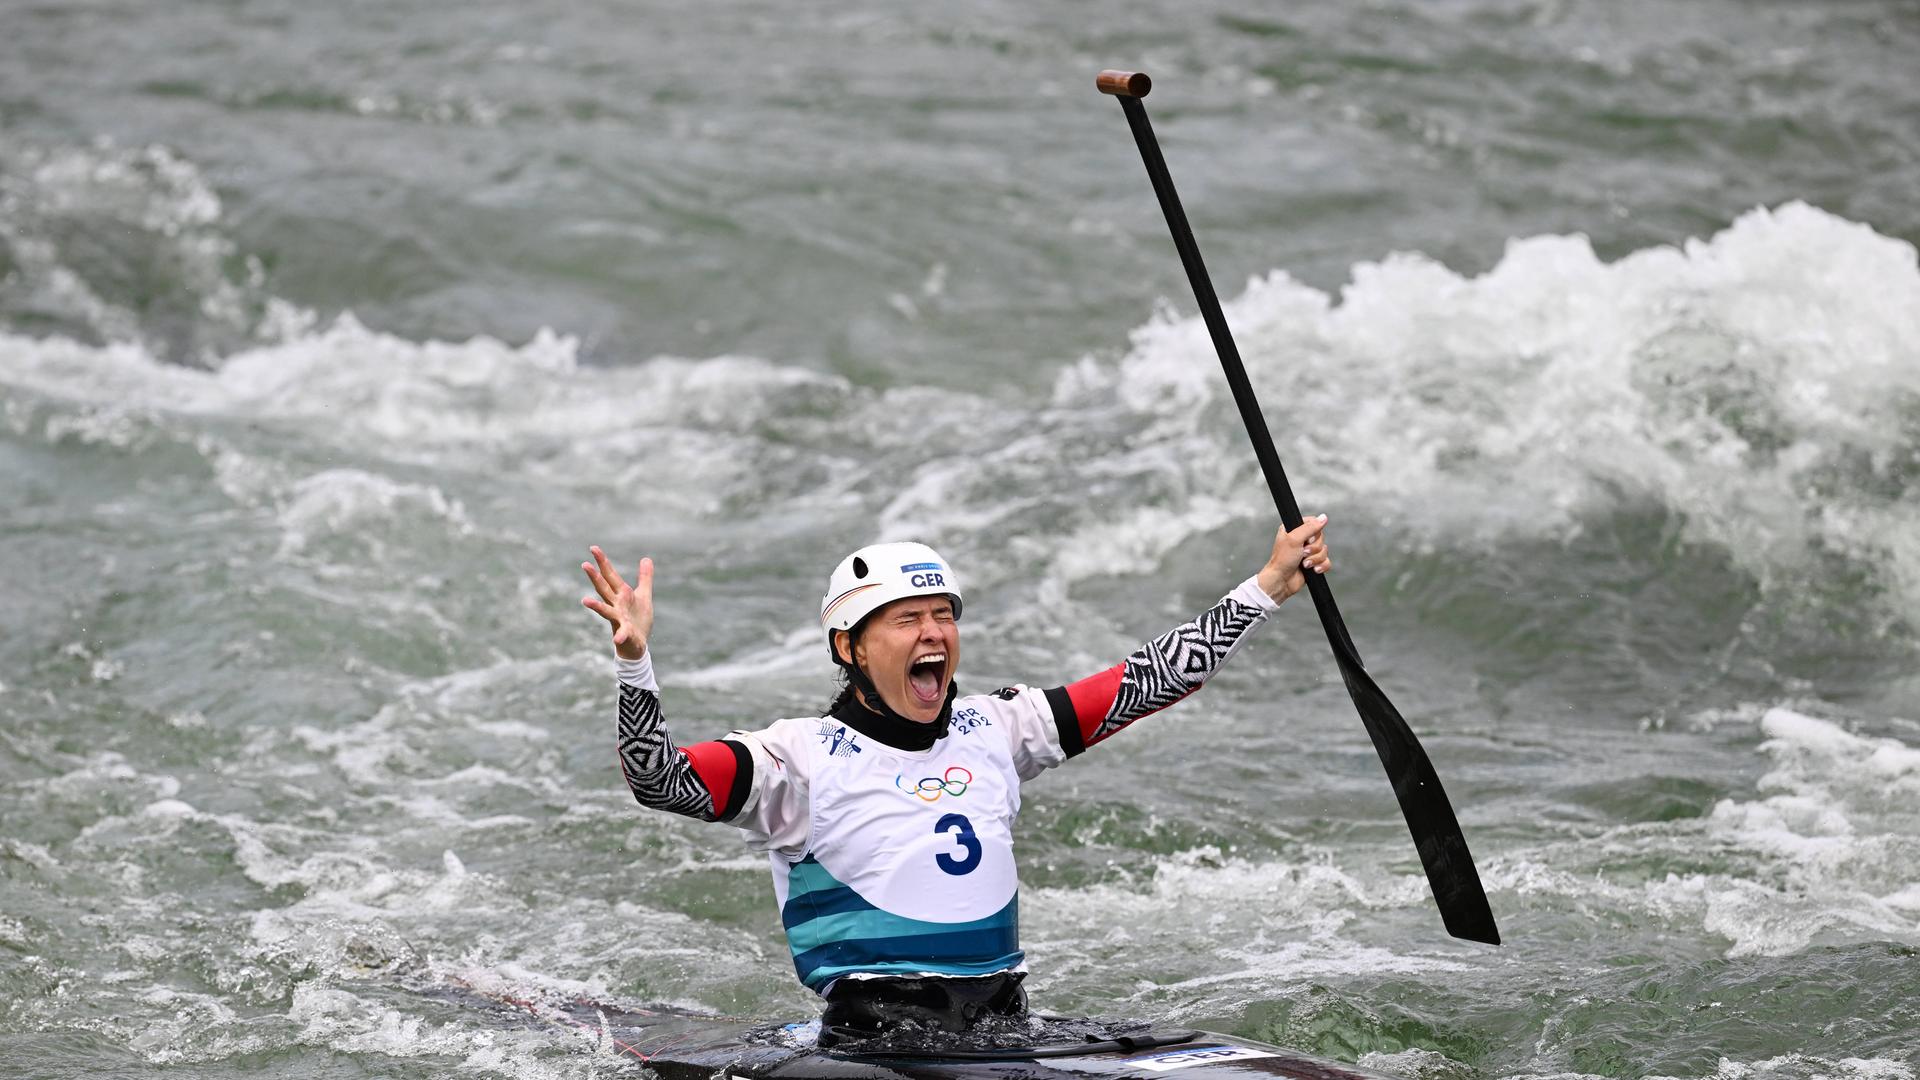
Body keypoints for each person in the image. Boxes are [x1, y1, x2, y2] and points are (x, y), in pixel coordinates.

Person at [580, 517, 1331, 1045]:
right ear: (850, 646)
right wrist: (634, 662)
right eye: (907, 620)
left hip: (1005, 1024)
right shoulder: (797, 761)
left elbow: (1141, 683)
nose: (934, 633)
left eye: (943, 615)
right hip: (876, 1038)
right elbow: (661, 781)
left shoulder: (998, 728)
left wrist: (1263, 589)